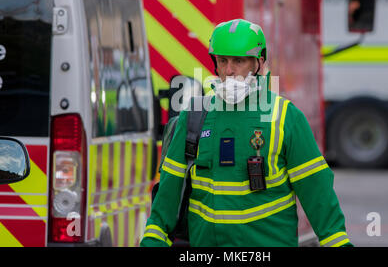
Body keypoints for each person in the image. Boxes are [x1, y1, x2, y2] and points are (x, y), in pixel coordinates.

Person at [140, 19, 353, 247]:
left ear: (258, 63)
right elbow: (166, 202)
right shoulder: (193, 116)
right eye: (223, 61)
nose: (229, 71)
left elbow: (318, 196)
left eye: (238, 61)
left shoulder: (286, 118)